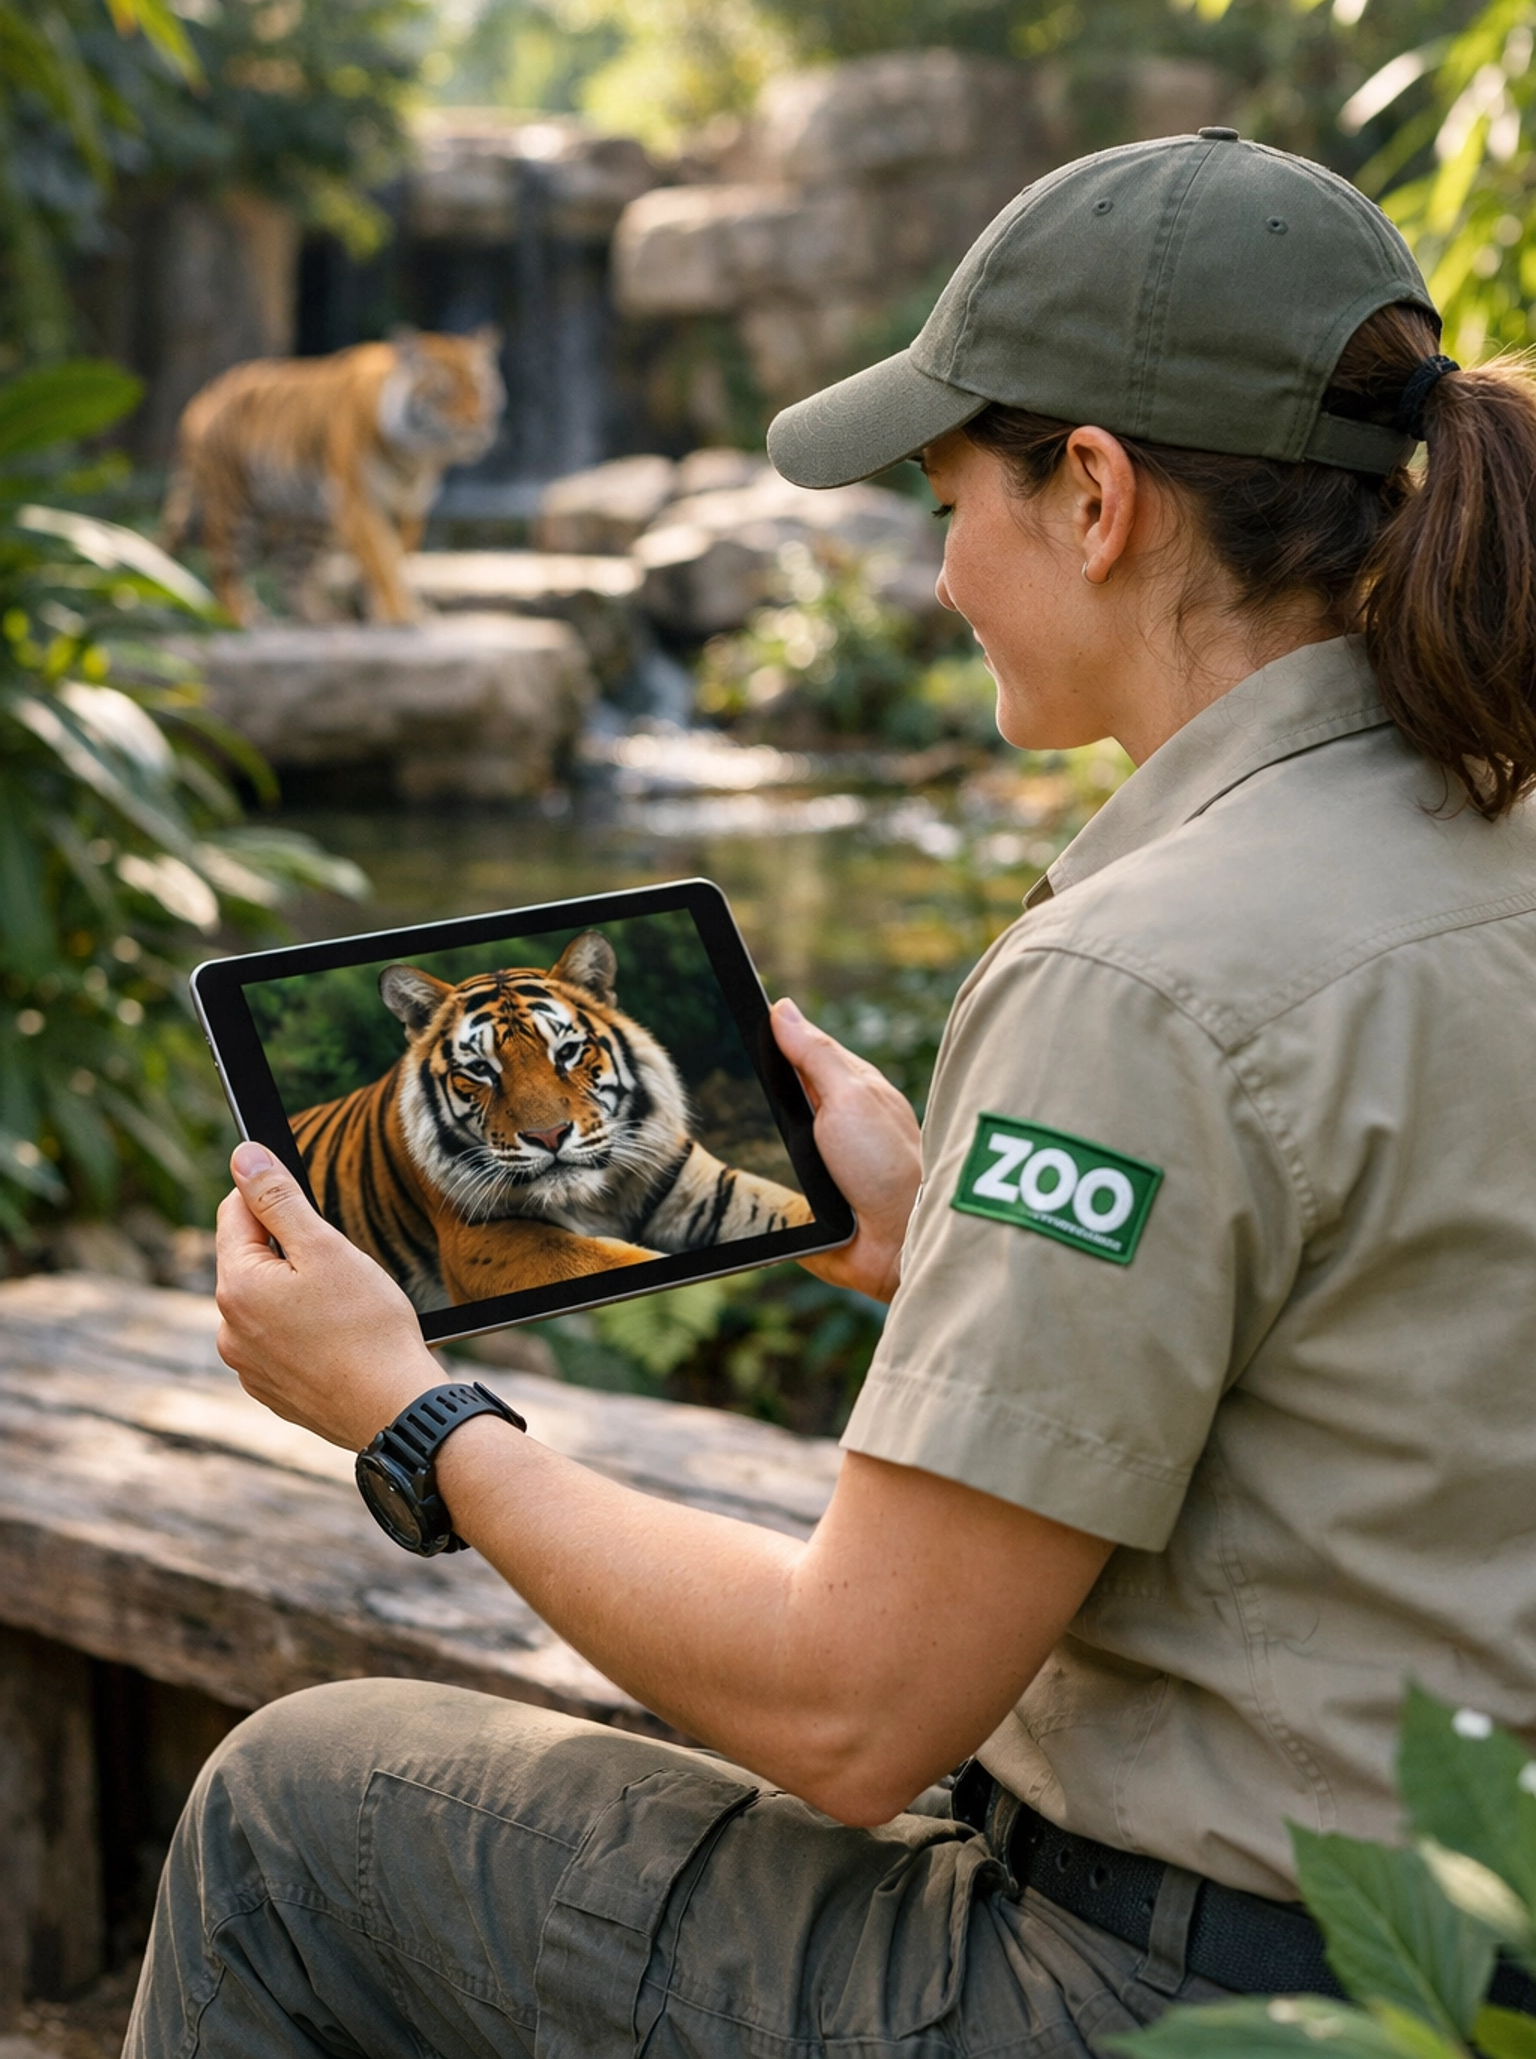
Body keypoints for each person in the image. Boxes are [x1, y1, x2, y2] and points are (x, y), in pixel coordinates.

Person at [127, 129, 1536, 2059]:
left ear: (1097, 498)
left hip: (1182, 2002)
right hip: (1471, 1957)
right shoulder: (1494, 816)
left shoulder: (1136, 977)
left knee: (297, 1813)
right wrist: (939, 1237)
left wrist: (407, 1409)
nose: (939, 566)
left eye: (948, 495)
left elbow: (851, 1715)